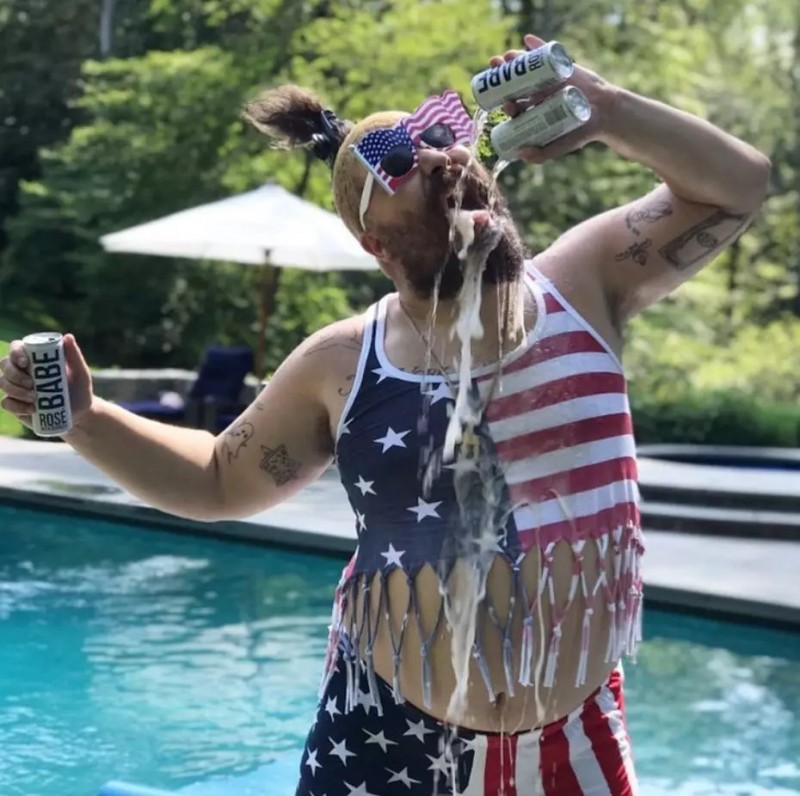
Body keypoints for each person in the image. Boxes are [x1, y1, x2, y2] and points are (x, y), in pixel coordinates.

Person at [0, 32, 769, 796]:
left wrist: (606, 109)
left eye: (443, 134)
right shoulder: (343, 362)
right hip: (385, 743)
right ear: (375, 243)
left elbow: (738, 186)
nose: (439, 155)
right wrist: (85, 418)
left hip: (572, 742)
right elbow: (217, 478)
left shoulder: (586, 280)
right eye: (399, 160)